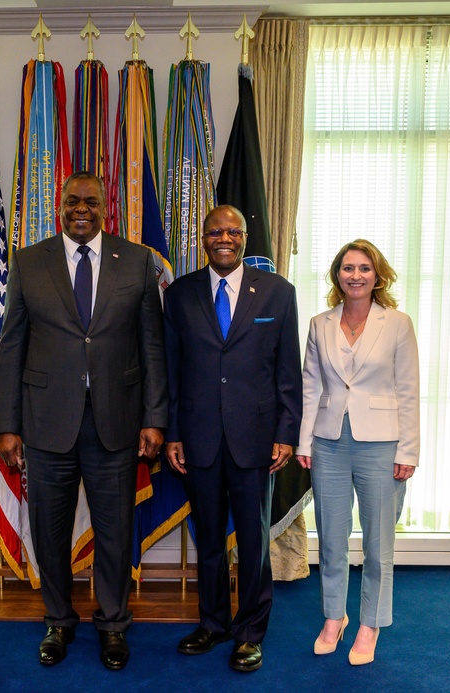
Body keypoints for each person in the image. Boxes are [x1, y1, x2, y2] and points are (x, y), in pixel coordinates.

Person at [0, 171, 168, 671]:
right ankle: (58, 620)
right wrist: (7, 423)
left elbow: (151, 345)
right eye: (73, 201)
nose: (81, 209)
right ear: (59, 205)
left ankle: (113, 624)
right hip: (46, 423)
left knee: (114, 531)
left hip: (116, 423)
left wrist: (155, 417)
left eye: (91, 201)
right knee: (50, 532)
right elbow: (12, 347)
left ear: (105, 207)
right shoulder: (29, 262)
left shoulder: (135, 260)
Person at [163, 204, 303, 673]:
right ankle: (214, 623)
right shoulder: (179, 295)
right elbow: (172, 371)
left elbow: (288, 372)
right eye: (215, 232)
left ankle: (249, 633)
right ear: (203, 239)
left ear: (245, 238)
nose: (224, 238)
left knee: (253, 540)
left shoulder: (279, 294)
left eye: (233, 232)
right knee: (207, 539)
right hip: (198, 438)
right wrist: (174, 434)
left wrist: (286, 432)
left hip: (256, 439)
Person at [296, 239, 419, 666]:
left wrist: (409, 450)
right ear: (337, 275)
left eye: (364, 268)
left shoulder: (398, 324)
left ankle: (370, 624)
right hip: (328, 442)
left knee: (378, 542)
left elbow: (408, 390)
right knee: (331, 538)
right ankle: (335, 617)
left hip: (383, 444)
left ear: (377, 275)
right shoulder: (319, 323)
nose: (356, 275)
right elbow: (310, 387)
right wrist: (303, 441)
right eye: (348, 268)